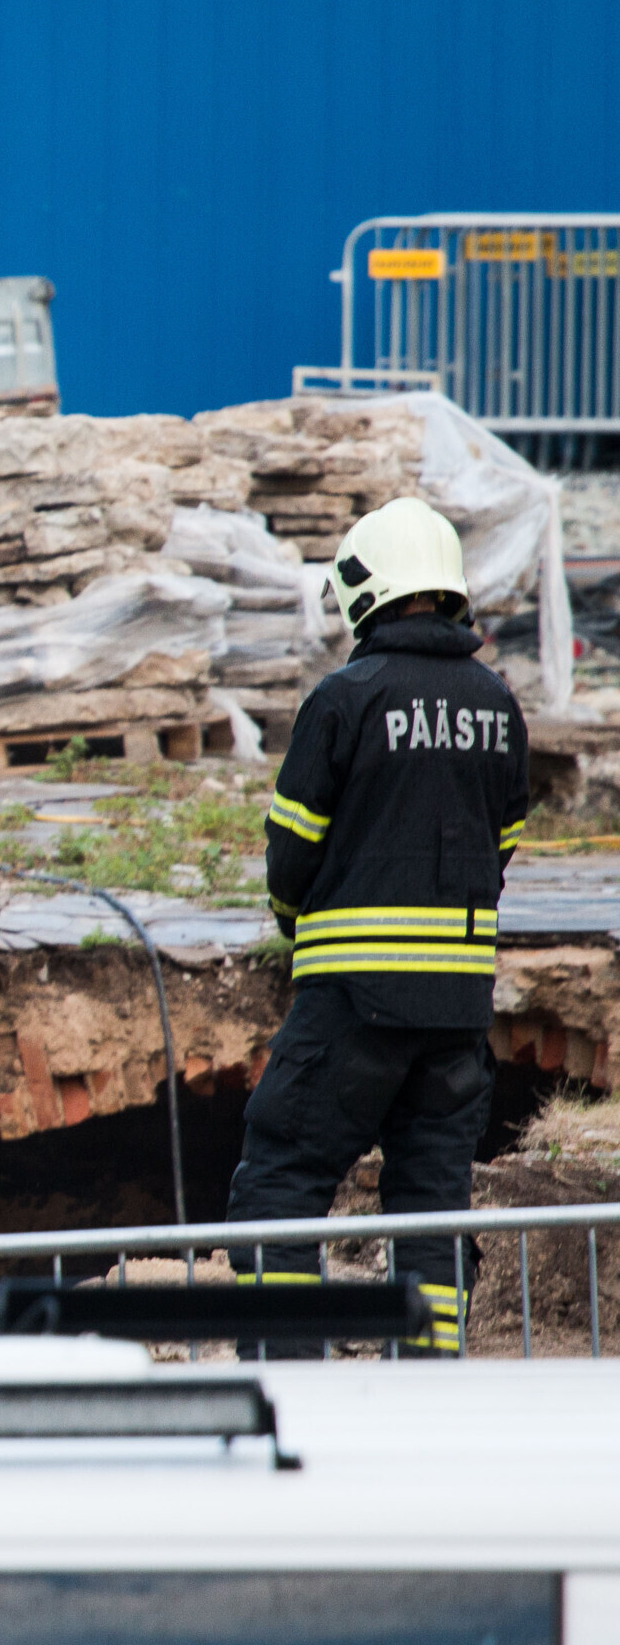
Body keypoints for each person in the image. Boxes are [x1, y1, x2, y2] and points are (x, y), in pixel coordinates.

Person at [225, 493, 529, 1357]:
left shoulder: (345, 699)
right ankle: (427, 1374)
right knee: (432, 1204)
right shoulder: (497, 705)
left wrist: (297, 922)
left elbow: (292, 848)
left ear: (366, 589)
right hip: (457, 1010)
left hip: (353, 1002)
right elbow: (503, 842)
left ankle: (286, 1368)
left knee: (281, 1180)